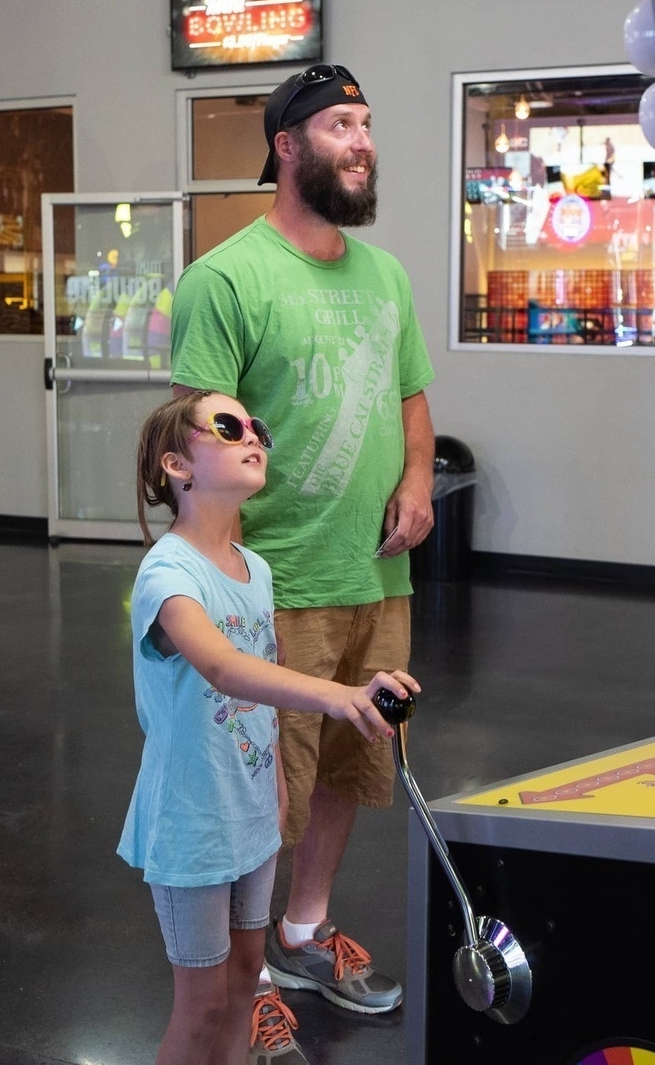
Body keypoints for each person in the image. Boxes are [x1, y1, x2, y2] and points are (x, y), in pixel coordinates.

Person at [170, 63, 437, 1052]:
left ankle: (303, 932)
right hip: (273, 585)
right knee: (256, 796)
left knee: (347, 772)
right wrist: (215, 584)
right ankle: (245, 982)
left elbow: (413, 398)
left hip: (377, 575)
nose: (362, 140)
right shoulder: (226, 279)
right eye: (339, 125)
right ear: (287, 148)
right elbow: (202, 439)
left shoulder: (388, 277)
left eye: (367, 122)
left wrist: (416, 480)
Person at [120, 388, 419, 1065]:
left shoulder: (255, 569)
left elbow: (265, 687)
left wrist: (280, 789)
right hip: (192, 823)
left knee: (240, 982)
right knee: (200, 1007)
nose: (253, 434)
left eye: (256, 425)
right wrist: (340, 696)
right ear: (177, 464)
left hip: (252, 811)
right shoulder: (167, 574)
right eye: (228, 427)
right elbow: (225, 669)